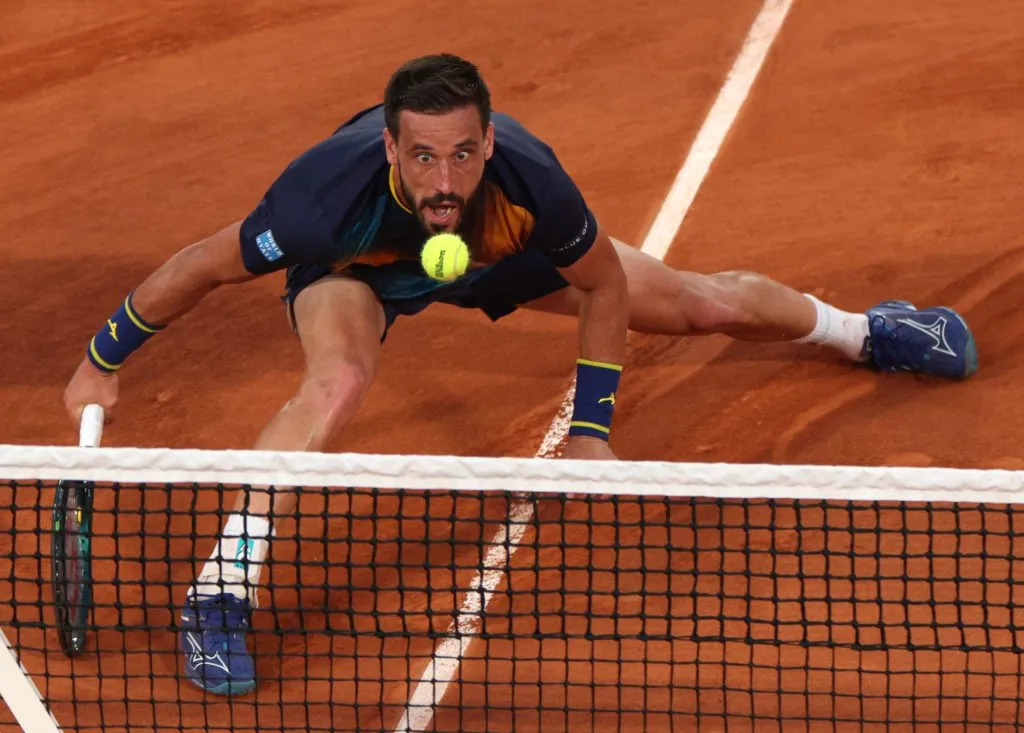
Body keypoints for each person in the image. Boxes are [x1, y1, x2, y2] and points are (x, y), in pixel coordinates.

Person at [63, 53, 977, 695]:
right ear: (389, 148)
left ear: (489, 140)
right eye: (422, 154)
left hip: (495, 255)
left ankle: (867, 332)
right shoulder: (316, 204)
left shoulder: (531, 184)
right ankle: (219, 590)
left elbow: (602, 285)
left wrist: (593, 426)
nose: (444, 172)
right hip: (362, 270)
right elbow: (194, 267)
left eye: (463, 151)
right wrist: (101, 361)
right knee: (336, 382)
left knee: (703, 303)